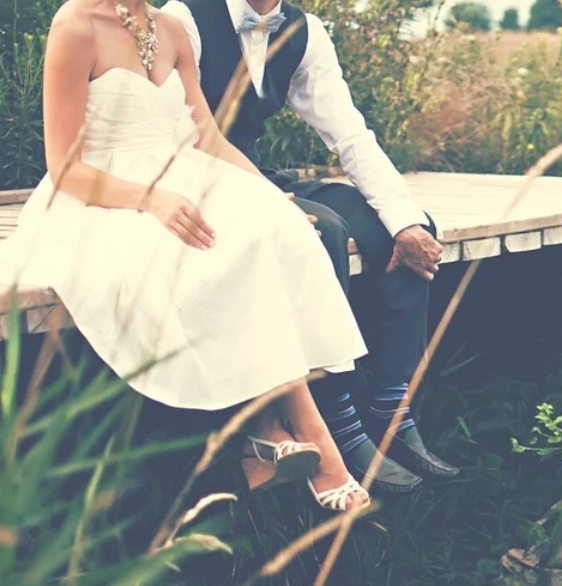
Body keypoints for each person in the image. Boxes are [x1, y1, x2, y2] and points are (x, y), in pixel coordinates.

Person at [0, 0, 371, 511]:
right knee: (209, 251)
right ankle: (312, 438)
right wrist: (150, 199)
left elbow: (207, 138)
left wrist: (270, 196)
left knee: (275, 231)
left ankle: (270, 431)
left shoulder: (172, 27)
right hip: (105, 194)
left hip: (184, 174)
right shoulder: (76, 25)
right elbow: (64, 166)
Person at [160, 0, 460, 490]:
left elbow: (349, 134)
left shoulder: (304, 30)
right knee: (324, 232)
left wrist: (403, 221)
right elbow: (179, 131)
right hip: (199, 184)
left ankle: (390, 407)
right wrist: (264, 199)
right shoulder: (185, 17)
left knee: (403, 224)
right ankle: (335, 416)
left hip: (259, 175)